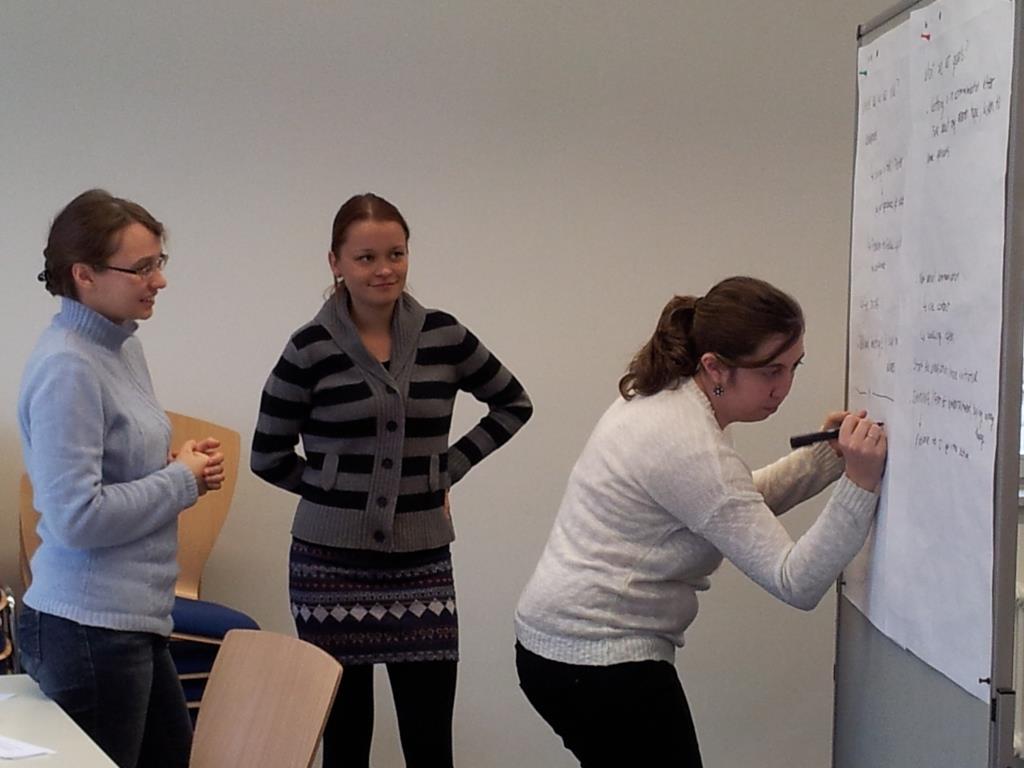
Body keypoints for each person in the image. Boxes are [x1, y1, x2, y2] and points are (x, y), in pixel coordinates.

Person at [514, 276, 887, 767]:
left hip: (564, 649)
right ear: (714, 367)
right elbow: (795, 581)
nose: (784, 387)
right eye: (770, 370)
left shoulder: (665, 396)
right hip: (595, 660)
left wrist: (828, 458)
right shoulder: (687, 444)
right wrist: (859, 483)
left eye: (794, 366)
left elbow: (729, 506)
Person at [251, 192, 533, 768]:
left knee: (429, 743)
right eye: (366, 258)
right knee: (346, 741)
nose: (384, 269)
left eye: (396, 254)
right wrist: (334, 491)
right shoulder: (309, 348)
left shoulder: (444, 336)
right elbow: (267, 455)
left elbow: (513, 404)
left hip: (421, 561)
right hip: (329, 568)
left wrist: (446, 468)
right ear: (335, 262)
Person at [17, 189, 225, 768]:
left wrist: (174, 466)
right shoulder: (68, 366)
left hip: (130, 619)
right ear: (83, 274)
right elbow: (76, 518)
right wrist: (180, 481)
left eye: (159, 262)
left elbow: (115, 470)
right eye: (142, 267)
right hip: (88, 627)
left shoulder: (120, 346)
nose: (159, 281)